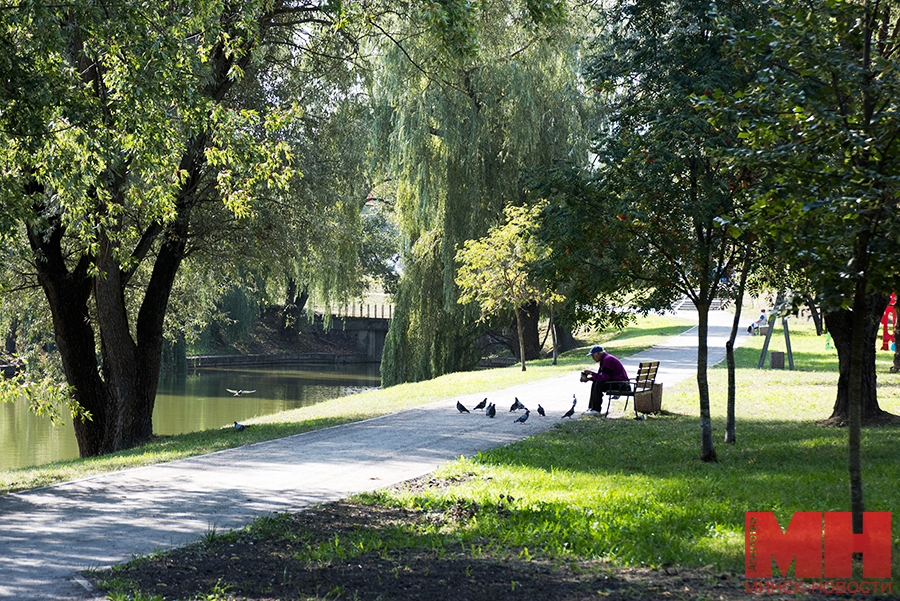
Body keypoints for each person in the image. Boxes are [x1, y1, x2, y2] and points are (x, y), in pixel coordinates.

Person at [580, 346, 630, 415]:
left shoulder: (608, 360)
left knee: (599, 384)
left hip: (621, 384)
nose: (593, 358)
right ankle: (591, 408)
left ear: (599, 353)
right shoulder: (604, 359)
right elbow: (601, 376)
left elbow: (604, 378)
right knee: (596, 382)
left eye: (593, 355)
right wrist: (588, 379)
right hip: (617, 382)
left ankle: (596, 409)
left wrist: (591, 373)